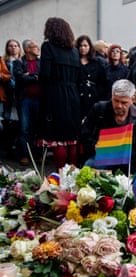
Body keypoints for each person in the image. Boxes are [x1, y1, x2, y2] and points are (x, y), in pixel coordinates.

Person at [80, 79, 136, 173]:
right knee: (90, 166)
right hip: (103, 155)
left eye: (124, 102)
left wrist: (121, 156)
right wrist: (94, 145)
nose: (119, 105)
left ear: (133, 99)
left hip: (127, 156)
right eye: (116, 100)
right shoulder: (99, 109)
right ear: (112, 96)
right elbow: (85, 133)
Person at [39, 17, 81, 169]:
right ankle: (73, 174)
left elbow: (44, 74)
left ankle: (61, 175)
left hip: (55, 95)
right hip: (73, 95)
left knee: (58, 138)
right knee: (72, 138)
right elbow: (79, 77)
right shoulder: (75, 52)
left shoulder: (48, 47)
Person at [13, 39, 42, 166]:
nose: (38, 48)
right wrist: (35, 77)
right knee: (25, 128)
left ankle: (38, 155)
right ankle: (25, 155)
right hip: (25, 99)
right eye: (34, 46)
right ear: (27, 49)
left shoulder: (41, 62)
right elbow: (20, 78)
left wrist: (30, 75)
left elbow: (44, 77)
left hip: (40, 99)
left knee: (38, 128)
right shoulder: (18, 62)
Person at [75, 35, 107, 120]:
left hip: (93, 97)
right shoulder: (74, 63)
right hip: (77, 97)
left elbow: (102, 82)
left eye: (85, 45)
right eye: (80, 46)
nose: (82, 48)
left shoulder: (96, 63)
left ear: (90, 47)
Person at [2, 39, 22, 156]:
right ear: (7, 48)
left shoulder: (23, 61)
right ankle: (9, 148)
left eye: (16, 45)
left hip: (20, 95)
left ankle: (17, 147)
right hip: (8, 94)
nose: (13, 48)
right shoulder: (4, 61)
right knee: (8, 121)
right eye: (11, 46)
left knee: (19, 123)